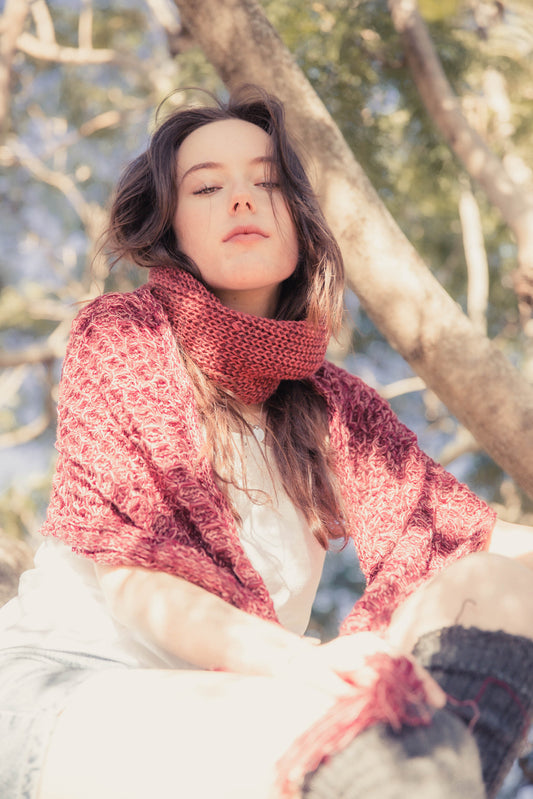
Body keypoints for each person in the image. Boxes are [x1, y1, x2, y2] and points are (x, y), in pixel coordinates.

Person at [1, 85, 532, 799]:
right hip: (73, 691)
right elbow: (136, 576)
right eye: (207, 186)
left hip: (262, 707)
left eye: (268, 182)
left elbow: (469, 535)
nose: (242, 199)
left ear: (299, 222)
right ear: (172, 228)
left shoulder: (336, 407)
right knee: (365, 740)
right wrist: (299, 664)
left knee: (502, 588)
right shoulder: (123, 332)